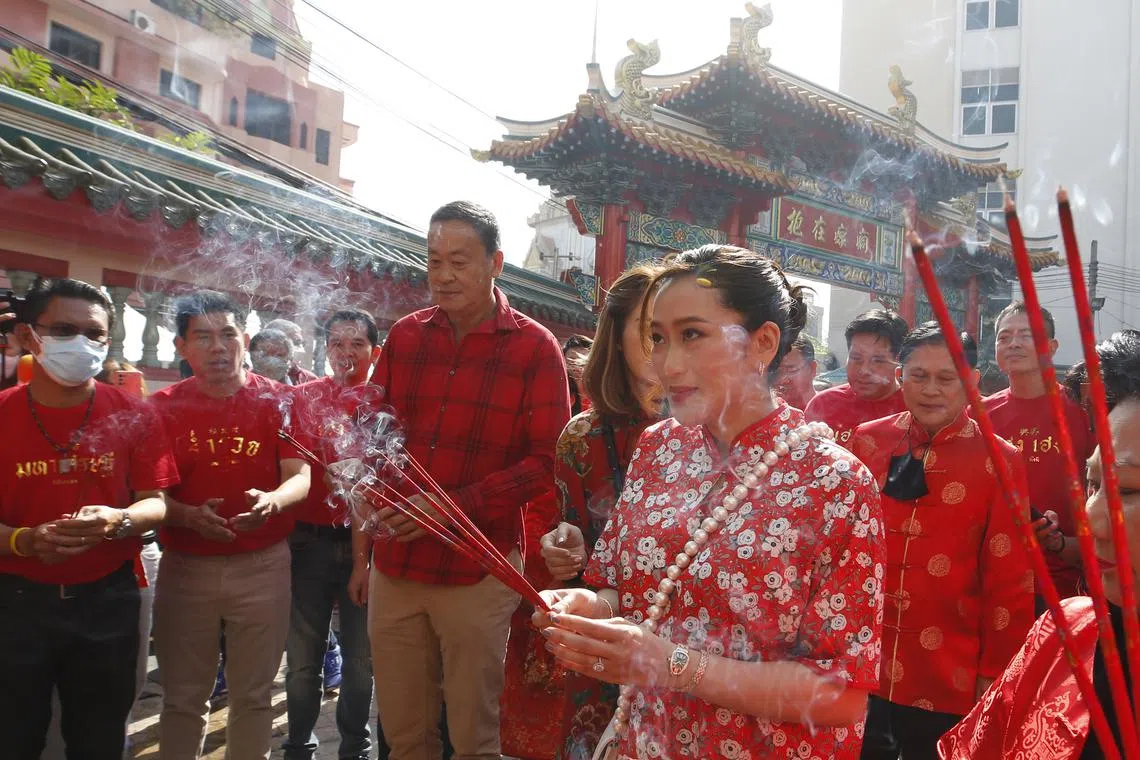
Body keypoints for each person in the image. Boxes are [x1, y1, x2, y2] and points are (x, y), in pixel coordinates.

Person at [534, 244, 885, 759]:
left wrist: (672, 664)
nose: (667, 363)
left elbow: (841, 695)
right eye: (657, 337)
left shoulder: (833, 482)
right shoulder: (659, 448)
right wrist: (588, 607)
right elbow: (628, 591)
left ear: (763, 342)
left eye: (692, 335)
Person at [365, 201, 572, 760]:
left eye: (460, 260)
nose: (444, 275)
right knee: (404, 735)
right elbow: (374, 434)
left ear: (496, 263)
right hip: (397, 564)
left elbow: (545, 461)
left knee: (475, 738)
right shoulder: (406, 337)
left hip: (478, 572)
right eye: (434, 261)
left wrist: (452, 508)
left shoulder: (535, 348)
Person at [938, 329, 1140, 759]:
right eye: (1092, 484)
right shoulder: (1064, 633)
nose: (1093, 521)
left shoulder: (1069, 413)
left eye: (1129, 490)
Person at [0, 277, 177, 758]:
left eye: (94, 334)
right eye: (63, 329)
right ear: (27, 337)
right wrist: (23, 541)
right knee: (13, 736)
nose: (80, 343)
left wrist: (118, 519)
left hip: (109, 597)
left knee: (98, 738)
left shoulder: (133, 413)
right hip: (15, 602)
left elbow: (155, 501)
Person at [849, 323, 1034, 760]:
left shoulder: (1000, 460)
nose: (931, 390)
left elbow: (1010, 580)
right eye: (918, 376)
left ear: (972, 382)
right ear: (900, 377)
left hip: (948, 673)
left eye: (947, 379)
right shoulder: (869, 442)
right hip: (860, 662)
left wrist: (996, 676)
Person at [500, 264, 662, 760]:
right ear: (616, 340)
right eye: (654, 332)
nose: (672, 347)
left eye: (689, 330)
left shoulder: (714, 430)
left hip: (690, 644)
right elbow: (571, 529)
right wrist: (562, 543)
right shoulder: (582, 437)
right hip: (604, 633)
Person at [151, 290, 311, 760]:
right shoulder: (161, 407)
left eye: (228, 334)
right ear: (182, 347)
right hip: (185, 567)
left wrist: (273, 501)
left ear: (245, 338)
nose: (219, 347)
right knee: (183, 698)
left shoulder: (280, 400)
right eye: (203, 337)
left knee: (254, 697)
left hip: (262, 565)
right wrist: (186, 516)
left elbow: (299, 474)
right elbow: (149, 494)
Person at [284, 309, 384, 760]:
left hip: (368, 548)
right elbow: (295, 471)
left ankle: (354, 748)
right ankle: (299, 745)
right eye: (337, 344)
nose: (346, 353)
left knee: (361, 663)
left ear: (374, 352)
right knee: (303, 660)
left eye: (357, 344)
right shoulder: (302, 397)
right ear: (325, 349)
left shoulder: (384, 405)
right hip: (309, 544)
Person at [984, 302, 1096, 603]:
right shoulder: (980, 415)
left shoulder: (1083, 412)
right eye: (1004, 337)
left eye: (1027, 335)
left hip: (1067, 579)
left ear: (1052, 347)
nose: (1014, 343)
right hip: (996, 577)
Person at [806, 308, 909, 446]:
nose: (864, 370)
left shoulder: (913, 408)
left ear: (899, 362)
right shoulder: (824, 404)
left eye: (877, 360)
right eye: (856, 358)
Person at [264, 318, 319, 385]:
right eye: (294, 343)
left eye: (301, 344)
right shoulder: (252, 380)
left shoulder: (309, 380)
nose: (301, 351)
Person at [775, 335, 819, 410]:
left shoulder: (829, 410)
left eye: (791, 370)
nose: (782, 380)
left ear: (812, 368)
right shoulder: (766, 413)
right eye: (777, 372)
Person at [563, 334, 594, 416]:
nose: (577, 364)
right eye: (572, 359)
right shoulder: (563, 397)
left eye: (582, 360)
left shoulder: (603, 398)